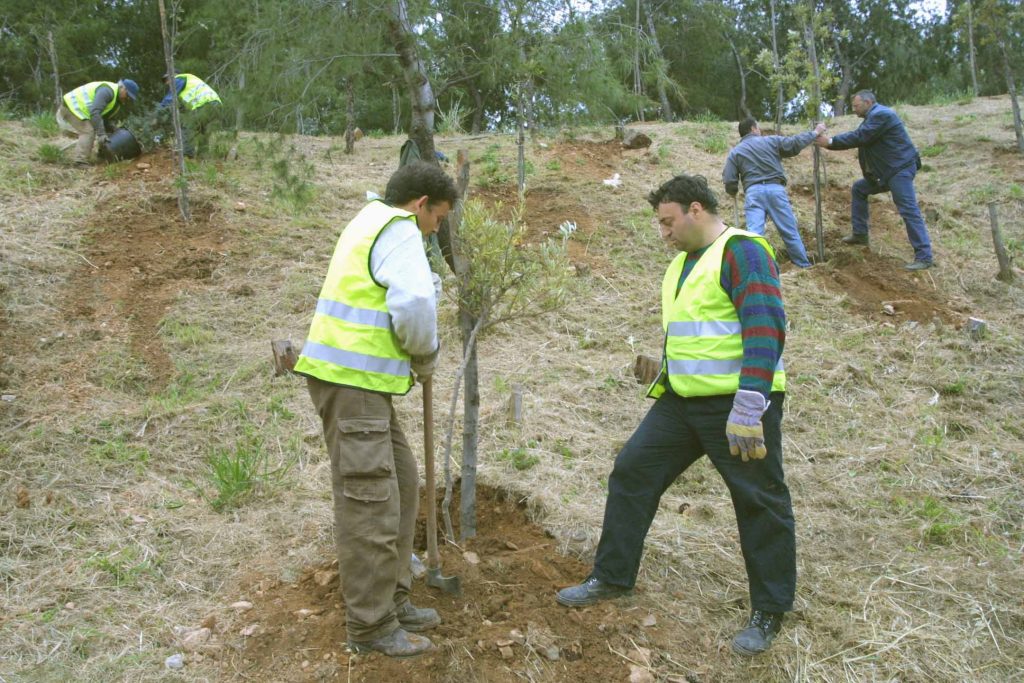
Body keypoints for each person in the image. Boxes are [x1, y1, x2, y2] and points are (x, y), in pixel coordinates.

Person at [556, 174, 796, 657]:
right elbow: (701, 334)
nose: (662, 233)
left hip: (738, 406)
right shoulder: (682, 264)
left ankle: (769, 610)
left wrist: (749, 406)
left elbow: (765, 328)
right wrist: (663, 367)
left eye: (668, 222)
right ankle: (613, 576)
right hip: (681, 403)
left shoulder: (742, 252)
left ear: (696, 210)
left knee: (759, 501)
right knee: (632, 471)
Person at [293, 161, 456, 658]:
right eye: (437, 220)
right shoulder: (399, 228)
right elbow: (412, 303)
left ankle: (394, 598)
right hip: (351, 383)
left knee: (402, 482)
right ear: (421, 204)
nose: (434, 231)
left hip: (360, 385)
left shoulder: (369, 221)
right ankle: (370, 626)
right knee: (370, 506)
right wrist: (424, 354)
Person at [815, 89, 934, 270]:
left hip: (898, 169)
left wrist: (830, 142)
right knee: (859, 188)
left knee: (909, 210)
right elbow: (862, 138)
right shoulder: (872, 118)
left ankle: (925, 257)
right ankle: (860, 234)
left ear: (868, 103)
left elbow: (860, 137)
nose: (853, 109)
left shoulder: (881, 115)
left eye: (856, 106)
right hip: (887, 172)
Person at [722, 119, 827, 269]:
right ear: (753, 129)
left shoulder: (736, 152)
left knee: (755, 235)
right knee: (789, 231)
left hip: (753, 193)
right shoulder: (771, 141)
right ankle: (803, 266)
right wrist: (815, 132)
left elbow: (729, 180)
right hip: (775, 190)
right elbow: (795, 143)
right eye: (758, 127)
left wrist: (732, 190)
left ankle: (756, 268)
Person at [56, 79, 139, 165]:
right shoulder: (107, 91)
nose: (127, 98)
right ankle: (80, 161)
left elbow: (104, 118)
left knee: (103, 131)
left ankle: (101, 156)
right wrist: (101, 134)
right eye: (127, 95)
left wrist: (112, 129)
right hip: (72, 107)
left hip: (81, 110)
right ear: (123, 88)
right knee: (88, 131)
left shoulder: (116, 101)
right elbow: (95, 112)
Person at [159, 73, 222, 157]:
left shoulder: (179, 79)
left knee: (185, 125)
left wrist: (158, 111)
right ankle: (202, 156)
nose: (168, 83)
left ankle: (187, 155)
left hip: (205, 105)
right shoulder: (189, 81)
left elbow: (169, 99)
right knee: (202, 130)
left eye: (167, 79)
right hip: (216, 105)